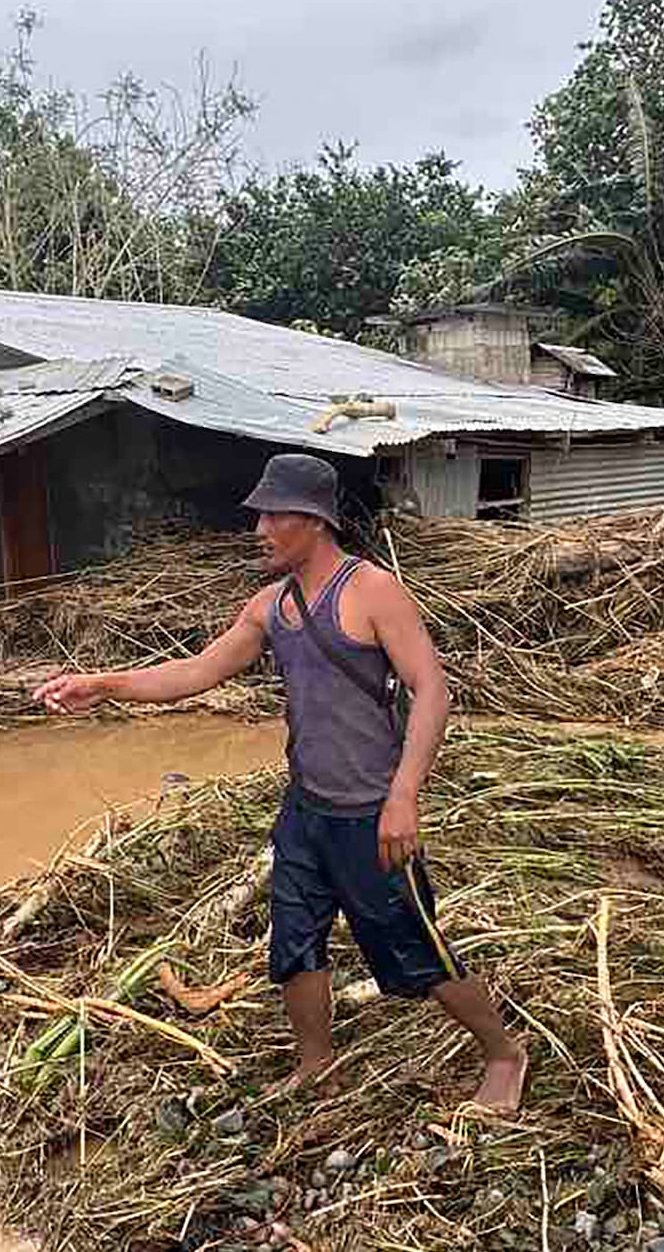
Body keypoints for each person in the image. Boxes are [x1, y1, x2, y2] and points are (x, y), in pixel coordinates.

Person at [33, 452, 528, 1112]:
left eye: (273, 515)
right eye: (259, 515)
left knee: (414, 946)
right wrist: (103, 684)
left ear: (314, 521)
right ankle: (317, 1060)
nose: (260, 529)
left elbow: (432, 691)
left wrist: (404, 796)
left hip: (371, 814)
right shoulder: (271, 608)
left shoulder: (371, 590)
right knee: (294, 939)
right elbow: (196, 673)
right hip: (307, 812)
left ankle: (503, 1053)